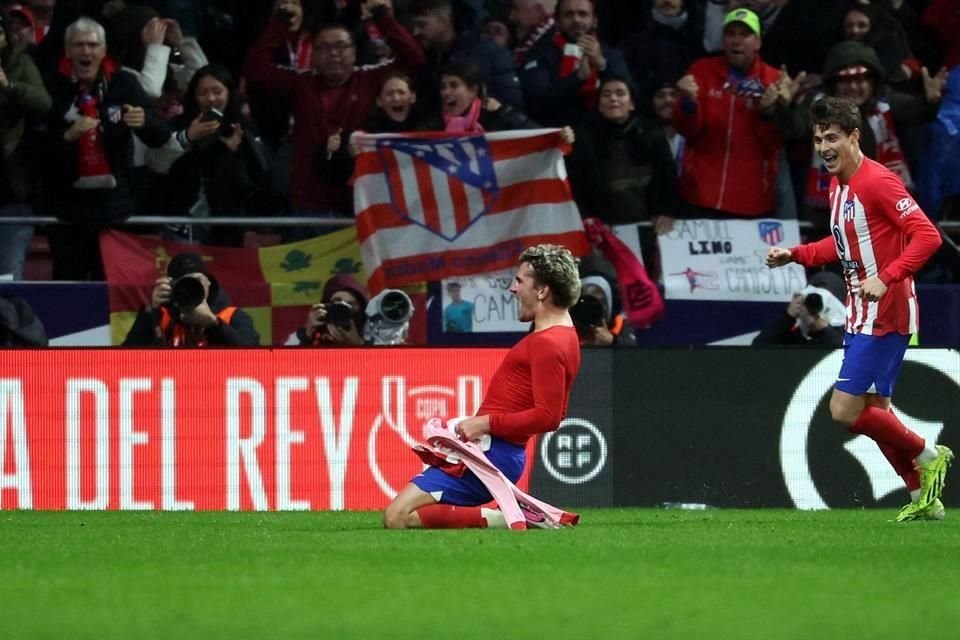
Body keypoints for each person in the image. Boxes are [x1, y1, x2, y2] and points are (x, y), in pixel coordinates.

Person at [766, 96, 951, 522]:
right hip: (862, 309)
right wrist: (794, 254)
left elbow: (928, 236)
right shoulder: (838, 185)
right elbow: (843, 244)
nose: (823, 147)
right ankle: (925, 497)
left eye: (832, 137)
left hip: (887, 311)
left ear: (854, 136)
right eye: (817, 139)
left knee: (843, 410)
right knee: (876, 415)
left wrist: (885, 277)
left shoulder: (877, 182)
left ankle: (929, 454)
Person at [383, 243, 582, 529]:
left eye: (519, 280)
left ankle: (513, 517)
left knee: (397, 517)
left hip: (493, 453)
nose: (512, 289)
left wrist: (485, 423)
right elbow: (557, 412)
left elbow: (548, 417)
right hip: (499, 451)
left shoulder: (547, 344)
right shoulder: (565, 336)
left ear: (542, 291)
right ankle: (513, 516)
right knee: (404, 517)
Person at [41, 16, 171, 281]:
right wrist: (66, 137)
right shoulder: (52, 86)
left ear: (103, 51)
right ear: (67, 51)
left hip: (113, 212)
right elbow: (36, 147)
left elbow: (160, 136)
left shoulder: (124, 83)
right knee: (68, 291)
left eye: (92, 45)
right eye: (78, 45)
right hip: (67, 213)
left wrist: (144, 123)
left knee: (110, 292)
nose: (86, 51)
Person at [672, 7, 785, 218]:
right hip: (699, 194)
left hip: (752, 199)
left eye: (744, 34)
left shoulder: (774, 80)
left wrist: (768, 113)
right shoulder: (701, 71)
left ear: (758, 42)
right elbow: (687, 131)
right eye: (730, 34)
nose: (736, 40)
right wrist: (688, 104)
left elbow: (775, 144)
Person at [519, 0, 632, 128]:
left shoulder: (611, 55)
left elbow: (629, 98)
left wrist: (602, 66)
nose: (576, 20)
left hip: (606, 135)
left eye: (583, 14)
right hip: (559, 135)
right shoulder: (540, 55)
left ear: (595, 21)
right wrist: (578, 78)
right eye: (569, 15)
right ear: (558, 22)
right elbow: (537, 103)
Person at [0, 6, 51, 280]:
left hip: (11, 190)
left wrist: (9, 87)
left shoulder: (22, 64)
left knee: (8, 280)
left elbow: (44, 105)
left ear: (6, 37)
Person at [123, 251, 260, 346]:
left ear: (208, 282)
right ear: (171, 286)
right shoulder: (161, 316)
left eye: (198, 280)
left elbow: (254, 356)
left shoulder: (231, 316)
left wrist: (214, 324)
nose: (193, 287)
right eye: (185, 282)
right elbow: (126, 359)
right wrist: (150, 312)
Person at [752, 271, 846, 348]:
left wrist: (822, 329)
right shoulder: (797, 334)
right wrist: (788, 317)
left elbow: (845, 352)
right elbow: (758, 347)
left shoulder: (848, 334)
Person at [291, 273, 368, 346]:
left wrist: (358, 344)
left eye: (350, 304)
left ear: (361, 309)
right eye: (338, 304)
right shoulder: (315, 335)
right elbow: (288, 358)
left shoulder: (376, 333)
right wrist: (307, 335)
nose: (342, 309)